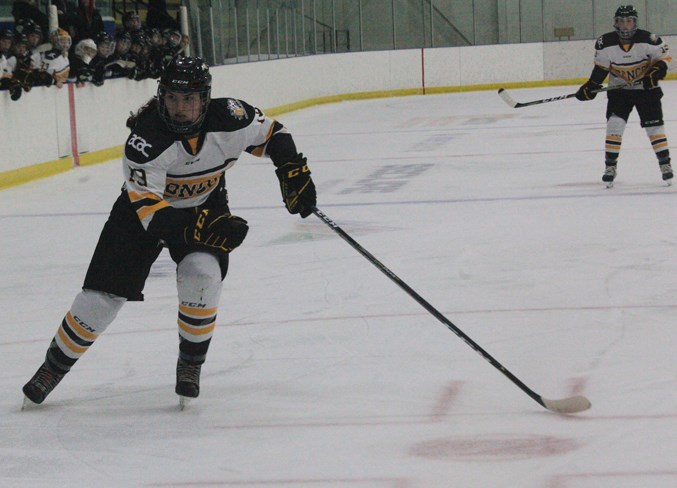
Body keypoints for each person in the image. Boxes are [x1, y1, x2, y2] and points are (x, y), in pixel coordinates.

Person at [21, 56, 317, 409]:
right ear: (162, 96)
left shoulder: (231, 117)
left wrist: (291, 169)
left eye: (189, 99)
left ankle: (190, 365)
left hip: (206, 203)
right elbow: (151, 215)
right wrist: (201, 228)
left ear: (205, 99)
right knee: (100, 299)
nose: (180, 108)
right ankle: (53, 367)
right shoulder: (145, 140)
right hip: (140, 216)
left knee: (202, 276)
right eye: (174, 98)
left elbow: (273, 134)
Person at [575, 5, 672, 187]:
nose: (625, 26)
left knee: (654, 128)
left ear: (635, 22)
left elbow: (664, 60)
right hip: (619, 92)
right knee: (614, 125)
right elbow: (601, 68)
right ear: (615, 23)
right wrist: (590, 86)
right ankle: (610, 167)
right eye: (621, 21)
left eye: (629, 21)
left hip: (646, 91)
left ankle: (665, 165)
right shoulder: (605, 43)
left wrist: (655, 74)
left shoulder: (649, 39)